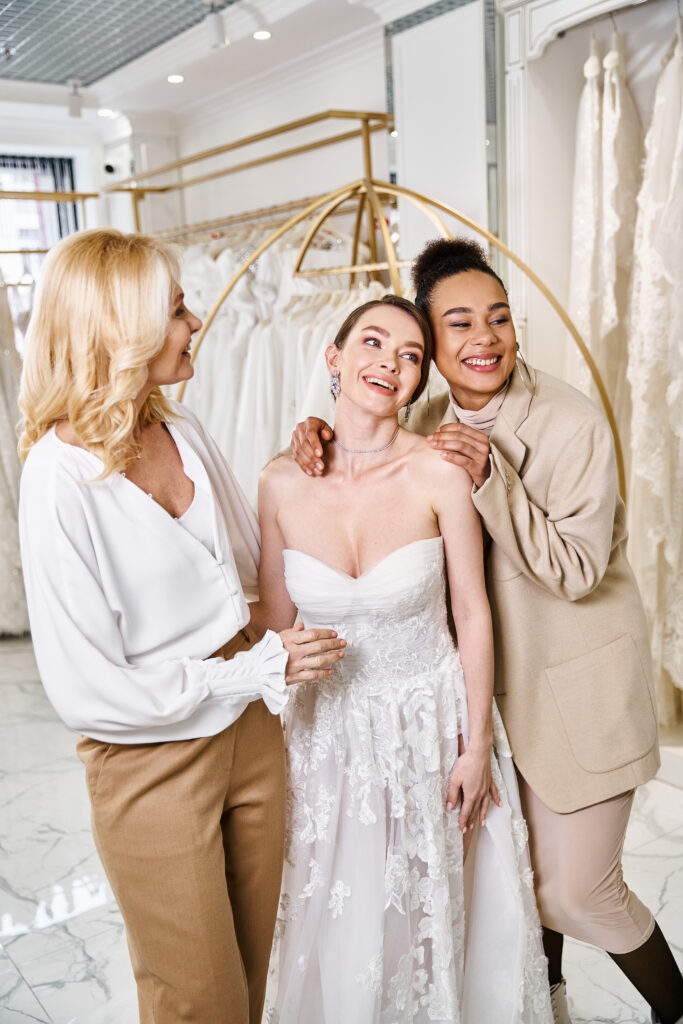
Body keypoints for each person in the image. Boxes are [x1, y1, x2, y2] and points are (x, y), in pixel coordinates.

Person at [290, 239, 683, 1024]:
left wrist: (490, 478)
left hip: (578, 695)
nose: (485, 338)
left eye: (499, 318)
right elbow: (368, 480)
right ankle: (551, 1004)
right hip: (481, 702)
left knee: (579, 892)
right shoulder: (421, 417)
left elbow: (575, 570)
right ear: (428, 345)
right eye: (459, 323)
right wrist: (316, 434)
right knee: (516, 878)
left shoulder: (570, 421)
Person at [17, 228, 345, 1024]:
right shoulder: (56, 480)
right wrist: (248, 671)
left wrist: (306, 463)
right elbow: (86, 690)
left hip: (253, 733)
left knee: (252, 979)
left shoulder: (184, 431)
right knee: (197, 1001)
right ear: (118, 328)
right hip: (150, 762)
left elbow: (253, 580)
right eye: (174, 310)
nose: (195, 322)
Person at [258, 294, 552, 1024]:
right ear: (333, 358)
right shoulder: (279, 482)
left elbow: (472, 613)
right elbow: (273, 625)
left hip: (429, 727)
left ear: (420, 380)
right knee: (335, 920)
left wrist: (475, 746)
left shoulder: (438, 473)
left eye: (410, 355)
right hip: (323, 739)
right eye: (371, 342)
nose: (389, 362)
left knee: (427, 917)